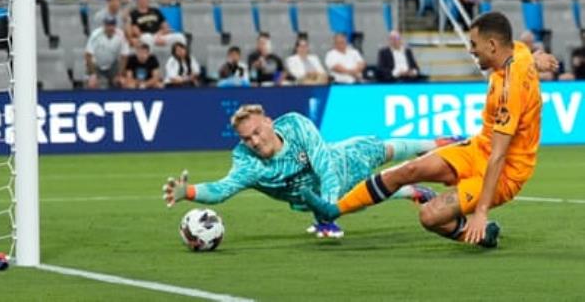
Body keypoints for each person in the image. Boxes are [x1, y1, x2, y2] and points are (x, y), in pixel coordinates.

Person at [300, 12, 546, 248]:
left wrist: (481, 212)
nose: (470, 50)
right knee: (409, 169)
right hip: (479, 147)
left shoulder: (510, 90)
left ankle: (480, 234)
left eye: (474, 44)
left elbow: (499, 155)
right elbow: (522, 57)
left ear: (492, 45)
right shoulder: (518, 53)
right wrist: (537, 59)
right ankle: (333, 210)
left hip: (504, 172)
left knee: (429, 217)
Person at [162, 104, 457, 238]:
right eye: (246, 139)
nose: (253, 141)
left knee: (387, 150)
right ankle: (412, 191)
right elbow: (221, 189)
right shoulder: (248, 163)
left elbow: (325, 167)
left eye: (255, 132)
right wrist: (187, 191)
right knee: (361, 195)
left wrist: (329, 212)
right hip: (327, 197)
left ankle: (438, 143)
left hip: (345, 160)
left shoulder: (295, 125)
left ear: (269, 122)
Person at [85, 15, 129, 89]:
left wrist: (120, 74)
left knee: (121, 82)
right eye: (108, 25)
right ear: (104, 25)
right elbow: (88, 55)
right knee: (91, 84)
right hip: (95, 65)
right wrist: (93, 74)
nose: (110, 28)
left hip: (112, 65)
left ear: (115, 26)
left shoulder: (120, 35)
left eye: (112, 25)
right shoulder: (95, 35)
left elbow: (124, 56)